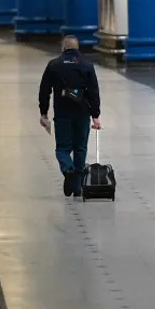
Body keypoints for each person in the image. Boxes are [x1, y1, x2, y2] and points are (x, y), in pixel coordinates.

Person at [38, 35, 102, 197]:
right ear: (77, 48)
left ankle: (68, 169)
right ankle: (78, 185)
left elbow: (44, 91)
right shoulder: (87, 65)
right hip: (82, 113)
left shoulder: (54, 65)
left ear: (63, 48)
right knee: (80, 147)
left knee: (62, 148)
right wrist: (95, 115)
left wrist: (43, 112)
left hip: (62, 112)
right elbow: (93, 92)